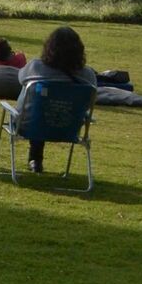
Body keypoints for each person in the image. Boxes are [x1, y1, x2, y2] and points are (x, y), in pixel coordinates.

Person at [17, 27, 98, 174]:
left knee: (38, 105)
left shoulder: (36, 67)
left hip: (31, 125)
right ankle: (35, 159)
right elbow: (89, 102)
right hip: (69, 127)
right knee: (48, 107)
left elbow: (20, 79)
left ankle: (35, 159)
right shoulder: (88, 75)